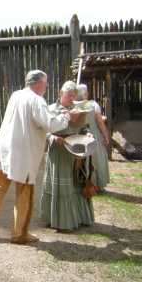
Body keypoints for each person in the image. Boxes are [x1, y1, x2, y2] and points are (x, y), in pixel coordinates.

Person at [0, 70, 79, 244]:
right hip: (22, 154)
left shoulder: (16, 95)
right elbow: (49, 124)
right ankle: (19, 234)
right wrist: (66, 117)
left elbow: (36, 119)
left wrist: (57, 116)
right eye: (45, 83)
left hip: (4, 149)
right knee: (24, 193)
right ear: (38, 83)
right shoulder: (37, 100)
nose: (47, 87)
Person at [40, 81, 95, 232]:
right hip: (58, 152)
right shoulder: (50, 109)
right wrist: (53, 138)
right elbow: (44, 130)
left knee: (76, 183)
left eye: (73, 95)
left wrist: (88, 133)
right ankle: (58, 221)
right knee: (61, 185)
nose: (71, 98)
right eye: (69, 95)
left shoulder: (78, 109)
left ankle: (79, 217)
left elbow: (84, 127)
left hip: (76, 151)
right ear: (60, 93)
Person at [76, 84, 110, 192]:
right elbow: (100, 122)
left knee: (83, 161)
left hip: (79, 136)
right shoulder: (93, 105)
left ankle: (84, 184)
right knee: (96, 160)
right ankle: (96, 185)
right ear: (85, 93)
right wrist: (105, 135)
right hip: (93, 135)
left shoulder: (73, 105)